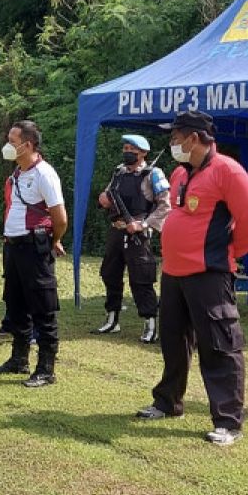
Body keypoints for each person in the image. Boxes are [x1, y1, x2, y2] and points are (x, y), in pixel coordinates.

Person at [136, 111, 248, 447]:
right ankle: (167, 401)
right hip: (174, 273)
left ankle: (228, 421)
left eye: (176, 136)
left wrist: (228, 253)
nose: (173, 142)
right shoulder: (180, 173)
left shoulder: (228, 172)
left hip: (209, 274)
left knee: (219, 345)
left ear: (194, 138)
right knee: (173, 342)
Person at [0, 121, 67, 387]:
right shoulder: (16, 175)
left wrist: (53, 240)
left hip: (35, 247)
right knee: (16, 303)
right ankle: (19, 359)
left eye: (12, 140)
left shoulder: (45, 174)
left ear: (28, 145)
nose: (8, 145)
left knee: (43, 307)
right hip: (13, 246)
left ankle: (46, 368)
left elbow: (60, 218)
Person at [94, 134, 170, 342]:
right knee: (110, 274)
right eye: (126, 147)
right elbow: (108, 195)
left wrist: (143, 224)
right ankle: (112, 318)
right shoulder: (118, 172)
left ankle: (150, 324)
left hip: (138, 234)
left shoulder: (153, 174)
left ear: (143, 152)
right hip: (116, 231)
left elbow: (165, 206)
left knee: (141, 279)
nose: (127, 151)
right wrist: (103, 199)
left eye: (132, 149)